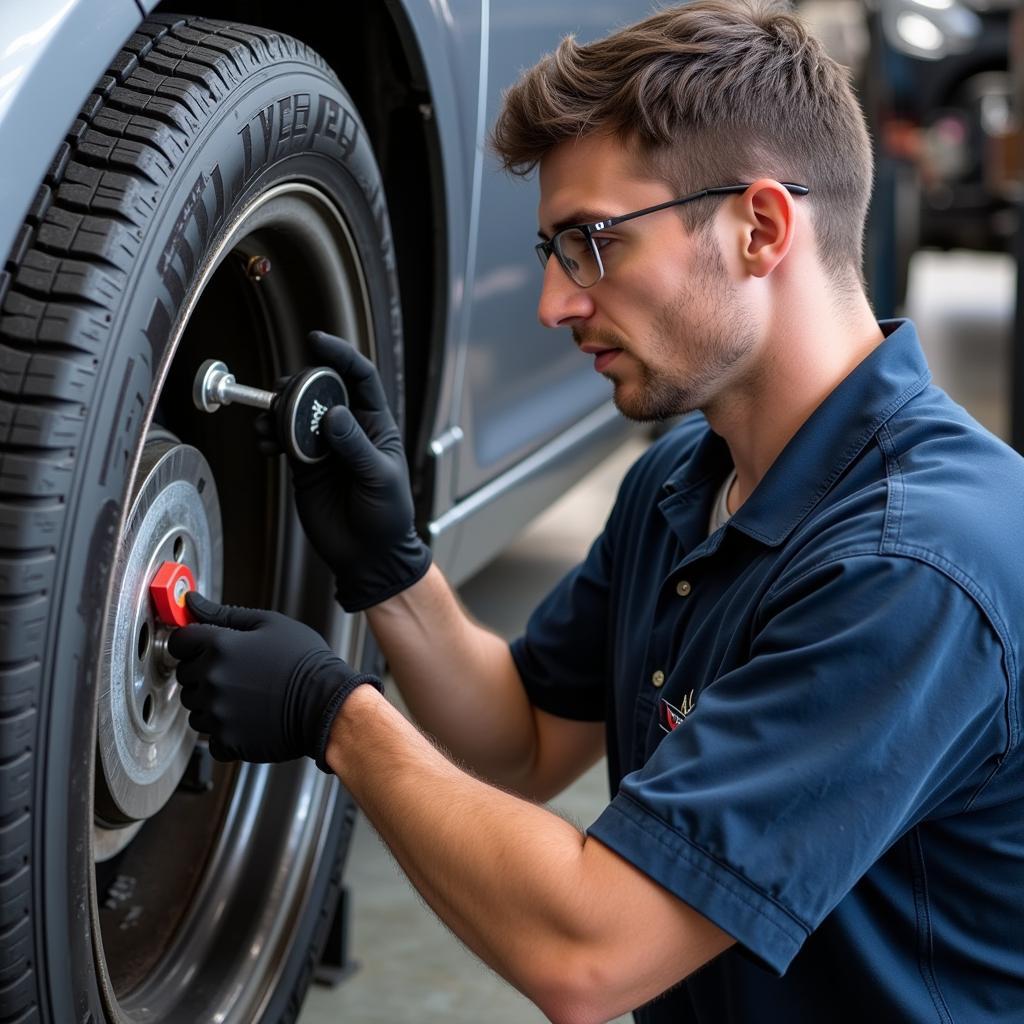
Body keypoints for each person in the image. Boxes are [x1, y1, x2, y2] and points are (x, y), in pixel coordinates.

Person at [168, 1, 1024, 1021]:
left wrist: (333, 716)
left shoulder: (915, 565)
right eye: (549, 251)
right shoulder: (681, 484)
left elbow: (590, 952)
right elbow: (521, 741)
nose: (553, 303)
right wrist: (391, 568)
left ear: (760, 227)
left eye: (590, 241)